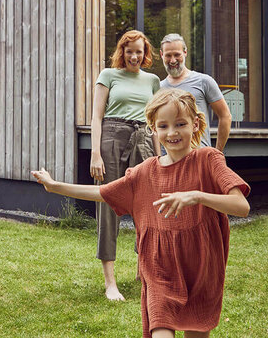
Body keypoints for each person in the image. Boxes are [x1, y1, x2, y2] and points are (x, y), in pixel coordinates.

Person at [33, 89, 250, 338]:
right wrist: (56, 186)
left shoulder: (208, 159)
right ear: (153, 130)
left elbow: (241, 206)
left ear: (195, 123)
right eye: (163, 126)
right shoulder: (145, 172)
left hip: (201, 268)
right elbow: (102, 192)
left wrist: (197, 196)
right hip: (159, 269)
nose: (172, 133)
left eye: (180, 124)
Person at [90, 30, 161, 301]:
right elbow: (96, 117)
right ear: (122, 51)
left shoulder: (153, 80)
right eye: (129, 50)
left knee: (147, 204)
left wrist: (159, 158)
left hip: (143, 137)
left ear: (145, 53)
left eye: (139, 51)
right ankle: (110, 282)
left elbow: (155, 123)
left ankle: (143, 271)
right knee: (108, 203)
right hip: (112, 136)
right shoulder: (108, 75)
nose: (134, 56)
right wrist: (95, 153)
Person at [159, 33, 232, 151]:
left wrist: (217, 152)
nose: (172, 60)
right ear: (162, 55)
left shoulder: (204, 81)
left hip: (198, 157)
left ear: (185, 52)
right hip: (168, 160)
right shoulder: (158, 88)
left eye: (177, 55)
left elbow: (225, 116)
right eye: (168, 55)